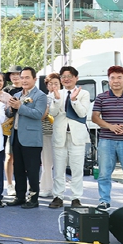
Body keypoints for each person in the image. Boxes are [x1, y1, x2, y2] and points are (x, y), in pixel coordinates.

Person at [48, 66, 90, 209]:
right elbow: (52, 113)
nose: (66, 79)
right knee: (58, 168)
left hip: (77, 136)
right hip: (60, 135)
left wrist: (74, 100)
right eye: (63, 76)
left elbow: (82, 113)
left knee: (77, 168)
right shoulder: (56, 93)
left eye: (69, 76)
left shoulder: (83, 93)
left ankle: (76, 198)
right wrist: (56, 100)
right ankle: (58, 196)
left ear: (76, 78)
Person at [6, 66, 47, 208]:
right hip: (16, 135)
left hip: (31, 138)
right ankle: (20, 196)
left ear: (34, 79)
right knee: (18, 168)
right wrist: (11, 108)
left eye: (27, 77)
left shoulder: (40, 95)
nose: (24, 80)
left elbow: (38, 114)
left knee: (32, 169)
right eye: (22, 77)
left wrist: (20, 107)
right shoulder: (17, 95)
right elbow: (9, 113)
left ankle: (33, 198)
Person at [91, 65, 123, 210]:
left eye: (119, 77)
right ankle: (104, 201)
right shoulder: (101, 97)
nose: (116, 81)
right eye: (113, 78)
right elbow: (95, 117)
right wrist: (110, 126)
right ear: (109, 80)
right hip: (106, 140)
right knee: (104, 173)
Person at [2, 64, 23, 195]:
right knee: (9, 156)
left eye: (18, 74)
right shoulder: (6, 90)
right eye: (12, 74)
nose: (15, 77)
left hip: (25, 127)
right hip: (9, 127)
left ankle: (24, 185)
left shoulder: (28, 89)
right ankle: (9, 184)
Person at [39, 74, 60, 200]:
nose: (53, 86)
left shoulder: (64, 97)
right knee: (46, 162)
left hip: (61, 133)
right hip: (46, 133)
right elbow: (41, 116)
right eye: (50, 84)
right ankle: (45, 188)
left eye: (56, 83)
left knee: (60, 163)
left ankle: (58, 189)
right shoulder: (44, 98)